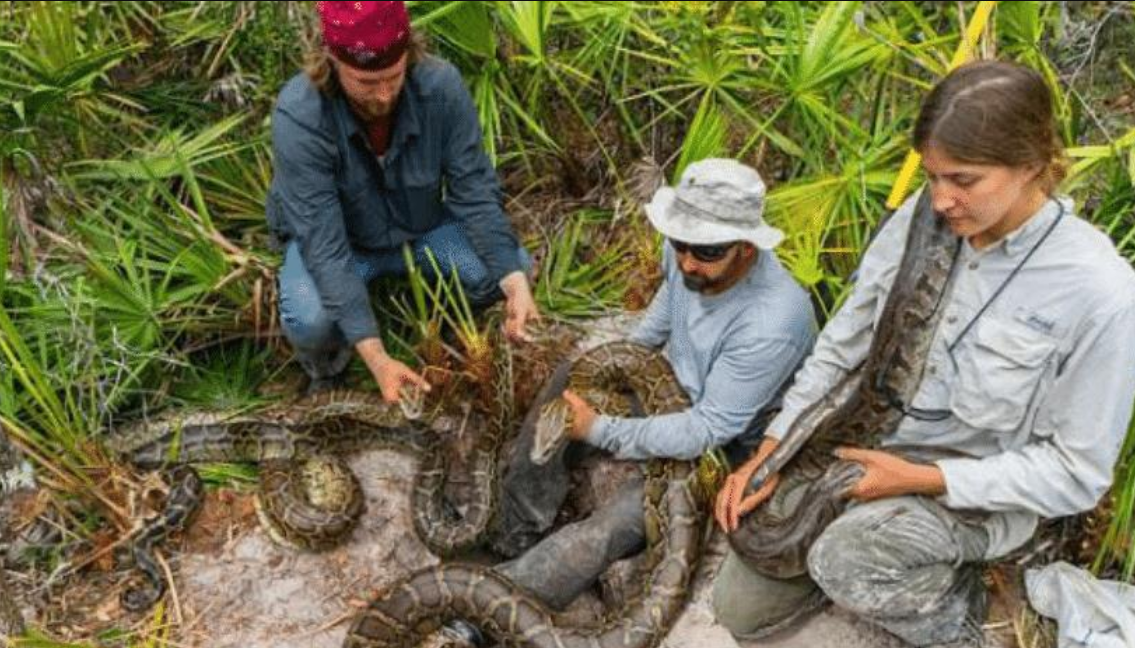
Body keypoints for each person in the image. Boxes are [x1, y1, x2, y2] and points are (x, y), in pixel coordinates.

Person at [713, 60, 1135, 647]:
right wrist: (775, 448)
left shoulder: (1099, 293)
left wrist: (919, 479)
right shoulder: (921, 222)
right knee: (739, 609)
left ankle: (991, 613)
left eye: (964, 180)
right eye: (933, 176)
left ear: (1034, 164)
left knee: (848, 558)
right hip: (861, 454)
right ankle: (867, 540)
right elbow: (845, 341)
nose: (941, 201)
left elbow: (1077, 474)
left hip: (976, 494)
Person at [443, 158, 817, 646]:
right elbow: (666, 308)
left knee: (606, 530)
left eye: (705, 251)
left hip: (721, 452)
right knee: (568, 379)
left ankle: (481, 616)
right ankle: (512, 532)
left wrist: (598, 428)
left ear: (747, 248)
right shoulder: (688, 260)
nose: (686, 262)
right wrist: (619, 366)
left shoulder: (774, 320)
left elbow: (707, 430)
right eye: (680, 244)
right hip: (665, 392)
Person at [266, 1, 539, 399]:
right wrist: (377, 358)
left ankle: (447, 325)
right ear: (330, 62)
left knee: (510, 268)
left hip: (421, 229)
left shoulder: (441, 87)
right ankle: (329, 369)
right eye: (365, 82)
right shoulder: (300, 116)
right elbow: (324, 247)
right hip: (346, 245)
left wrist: (515, 285)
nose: (383, 96)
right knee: (309, 318)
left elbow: (475, 193)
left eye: (393, 77)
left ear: (409, 55)